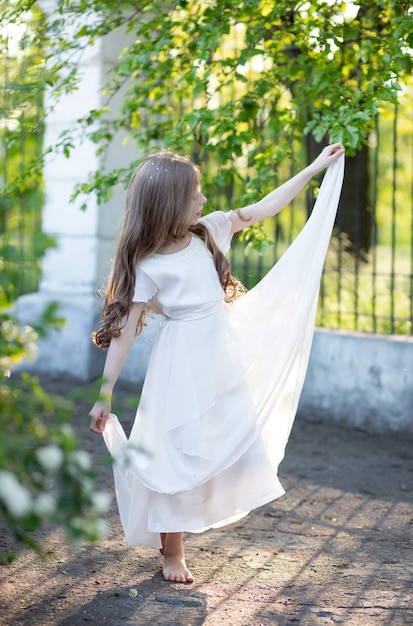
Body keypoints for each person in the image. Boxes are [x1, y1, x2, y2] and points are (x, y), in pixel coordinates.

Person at [89, 142, 345, 584]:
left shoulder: (209, 231)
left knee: (234, 443)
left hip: (220, 355)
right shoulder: (147, 262)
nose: (204, 200)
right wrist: (105, 393)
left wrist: (314, 168)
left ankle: (209, 505)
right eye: (196, 193)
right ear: (170, 203)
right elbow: (126, 331)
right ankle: (173, 552)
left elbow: (263, 209)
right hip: (179, 364)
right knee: (173, 453)